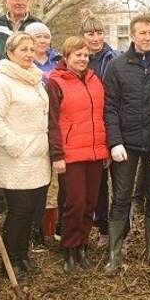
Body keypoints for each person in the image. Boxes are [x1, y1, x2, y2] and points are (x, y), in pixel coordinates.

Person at [103, 15, 150, 274]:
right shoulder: (117, 66)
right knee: (121, 197)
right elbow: (110, 106)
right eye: (142, 33)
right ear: (132, 36)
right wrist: (114, 141)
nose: (147, 37)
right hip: (127, 143)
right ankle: (114, 254)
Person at [0, 32, 50, 283]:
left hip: (37, 156)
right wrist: (16, 145)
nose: (29, 54)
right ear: (10, 53)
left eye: (32, 49)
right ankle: (10, 261)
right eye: (23, 49)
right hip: (17, 158)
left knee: (32, 209)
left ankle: (22, 256)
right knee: (19, 211)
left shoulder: (35, 80)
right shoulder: (2, 83)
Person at [47, 36, 109, 273]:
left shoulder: (95, 80)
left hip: (94, 151)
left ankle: (83, 244)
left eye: (85, 55)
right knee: (75, 202)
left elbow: (101, 115)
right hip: (71, 153)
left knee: (90, 203)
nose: (82, 59)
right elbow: (51, 121)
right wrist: (57, 155)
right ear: (66, 57)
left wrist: (105, 148)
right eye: (77, 55)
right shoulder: (56, 82)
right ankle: (69, 248)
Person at [79, 16, 121, 247]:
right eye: (90, 34)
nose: (95, 38)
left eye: (99, 33)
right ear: (83, 36)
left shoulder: (114, 58)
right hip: (89, 130)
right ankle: (103, 229)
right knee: (98, 186)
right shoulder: (79, 60)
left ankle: (120, 231)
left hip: (112, 126)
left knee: (120, 184)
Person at [24, 21, 60, 251]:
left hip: (55, 126)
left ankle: (55, 227)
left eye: (46, 37)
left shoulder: (56, 63)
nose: (43, 41)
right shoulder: (25, 64)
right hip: (32, 128)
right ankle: (33, 230)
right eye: (38, 37)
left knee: (52, 183)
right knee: (32, 183)